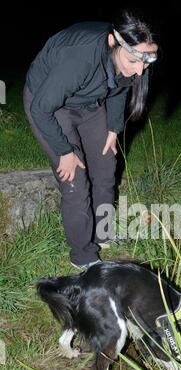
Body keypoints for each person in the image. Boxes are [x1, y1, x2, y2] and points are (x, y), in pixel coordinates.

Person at [23, 10, 158, 270]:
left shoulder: (128, 60)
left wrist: (113, 128)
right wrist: (65, 151)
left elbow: (120, 85)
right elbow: (41, 108)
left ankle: (103, 233)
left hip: (91, 103)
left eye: (146, 63)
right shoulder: (80, 58)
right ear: (112, 43)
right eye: (134, 61)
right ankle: (83, 256)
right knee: (75, 180)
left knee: (106, 166)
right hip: (50, 105)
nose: (140, 71)